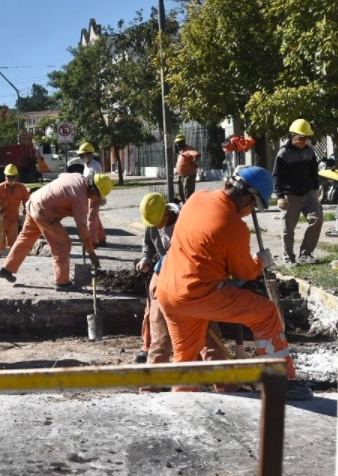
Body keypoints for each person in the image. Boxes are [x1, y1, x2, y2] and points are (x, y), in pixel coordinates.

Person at [156, 166, 313, 400]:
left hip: (168, 291)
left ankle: (183, 403)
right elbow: (245, 272)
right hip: (200, 293)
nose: (250, 212)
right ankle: (280, 382)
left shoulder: (197, 198)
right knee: (266, 313)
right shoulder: (234, 226)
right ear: (245, 197)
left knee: (185, 355)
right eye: (253, 206)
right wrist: (260, 262)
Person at [135, 193, 235, 393]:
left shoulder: (188, 221)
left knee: (208, 338)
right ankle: (150, 390)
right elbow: (148, 243)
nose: (157, 227)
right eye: (153, 224)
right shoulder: (153, 220)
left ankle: (228, 388)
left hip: (192, 284)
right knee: (160, 339)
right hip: (162, 280)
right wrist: (146, 259)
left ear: (167, 211)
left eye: (160, 222)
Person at [0, 171, 113, 291]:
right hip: (44, 213)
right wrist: (91, 253)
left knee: (26, 238)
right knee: (63, 244)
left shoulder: (77, 177)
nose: (96, 200)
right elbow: (82, 227)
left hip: (33, 202)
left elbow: (61, 176)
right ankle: (62, 283)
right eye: (98, 197)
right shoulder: (80, 198)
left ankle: (7, 269)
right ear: (94, 190)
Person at [273, 118, 322, 265]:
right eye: (302, 138)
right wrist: (280, 197)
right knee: (288, 229)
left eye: (307, 138)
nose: (305, 141)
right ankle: (289, 258)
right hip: (290, 195)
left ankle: (305, 254)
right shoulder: (283, 153)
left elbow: (314, 172)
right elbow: (276, 176)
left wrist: (316, 188)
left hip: (308, 193)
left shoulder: (310, 151)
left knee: (317, 220)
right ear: (293, 136)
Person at [0, 164, 30, 257]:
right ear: (5, 176)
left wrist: (25, 214)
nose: (11, 179)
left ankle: (9, 262)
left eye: (13, 177)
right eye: (8, 177)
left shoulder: (21, 188)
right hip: (0, 219)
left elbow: (28, 202)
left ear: (16, 176)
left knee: (13, 244)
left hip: (13, 220)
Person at [75, 142, 106, 247]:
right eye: (80, 155)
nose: (81, 157)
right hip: (88, 194)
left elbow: (101, 182)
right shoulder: (86, 165)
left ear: (89, 154)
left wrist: (102, 197)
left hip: (95, 194)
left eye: (82, 155)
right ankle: (101, 239)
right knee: (94, 215)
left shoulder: (96, 166)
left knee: (91, 218)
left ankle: (92, 241)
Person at [174, 134, 201, 201]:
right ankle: (184, 208)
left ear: (183, 142)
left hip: (188, 176)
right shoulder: (181, 151)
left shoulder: (188, 149)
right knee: (181, 194)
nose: (178, 144)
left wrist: (193, 162)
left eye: (179, 143)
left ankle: (189, 209)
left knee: (188, 194)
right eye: (177, 143)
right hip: (181, 176)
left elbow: (197, 155)